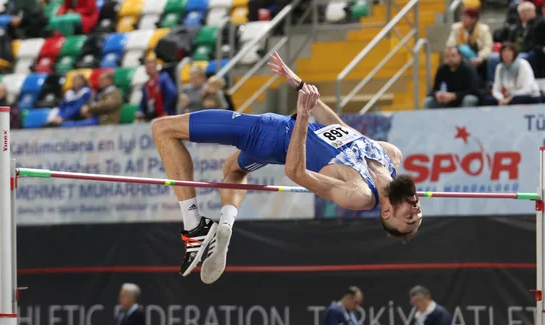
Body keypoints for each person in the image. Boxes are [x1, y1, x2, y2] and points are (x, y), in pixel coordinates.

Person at [151, 52, 423, 284]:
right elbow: (339, 128)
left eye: (409, 219)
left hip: (269, 132)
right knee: (232, 169)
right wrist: (301, 86)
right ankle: (225, 224)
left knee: (162, 128)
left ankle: (194, 226)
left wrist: (303, 115)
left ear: (386, 212)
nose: (416, 211)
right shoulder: (390, 155)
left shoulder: (359, 195)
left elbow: (296, 174)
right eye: (418, 214)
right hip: (274, 143)